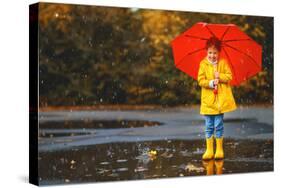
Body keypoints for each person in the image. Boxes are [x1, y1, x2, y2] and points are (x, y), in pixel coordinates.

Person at [197, 37, 237, 160]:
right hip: (208, 101)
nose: (212, 55)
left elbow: (229, 77)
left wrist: (220, 76)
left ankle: (219, 149)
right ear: (206, 51)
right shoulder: (203, 64)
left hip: (220, 102)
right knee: (209, 125)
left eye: (214, 53)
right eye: (210, 52)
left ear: (219, 52)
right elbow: (200, 80)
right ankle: (209, 150)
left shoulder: (223, 63)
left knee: (218, 125)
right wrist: (210, 83)